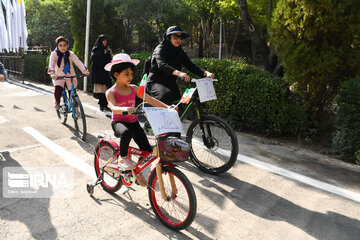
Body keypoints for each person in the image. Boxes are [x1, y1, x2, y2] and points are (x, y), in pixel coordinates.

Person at [105, 53, 172, 187]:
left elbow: (150, 99)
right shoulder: (111, 92)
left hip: (133, 122)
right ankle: (123, 158)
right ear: (116, 74)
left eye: (131, 74)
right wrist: (124, 109)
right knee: (126, 133)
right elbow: (112, 106)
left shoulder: (134, 88)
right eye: (127, 74)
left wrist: (167, 107)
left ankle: (137, 172)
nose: (131, 77)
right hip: (119, 122)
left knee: (147, 151)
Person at [146, 26, 215, 105]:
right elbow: (162, 65)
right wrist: (179, 73)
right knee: (165, 95)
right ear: (169, 38)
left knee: (179, 104)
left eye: (180, 37)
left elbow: (191, 66)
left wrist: (206, 73)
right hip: (156, 82)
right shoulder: (160, 49)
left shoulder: (180, 52)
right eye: (175, 37)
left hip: (171, 83)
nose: (178, 39)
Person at [48, 36, 89, 109]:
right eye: (60, 45)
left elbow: (78, 62)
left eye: (64, 45)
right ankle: (57, 102)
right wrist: (52, 73)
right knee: (58, 89)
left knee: (72, 93)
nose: (63, 47)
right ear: (57, 46)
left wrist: (84, 71)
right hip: (58, 75)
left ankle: (76, 110)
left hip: (70, 75)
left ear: (67, 45)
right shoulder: (54, 54)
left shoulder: (70, 54)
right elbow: (51, 64)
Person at [91, 34, 112, 111]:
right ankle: (101, 104)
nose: (105, 42)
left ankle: (105, 104)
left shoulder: (107, 49)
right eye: (103, 40)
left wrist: (107, 54)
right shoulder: (95, 50)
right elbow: (94, 59)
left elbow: (110, 59)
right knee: (100, 90)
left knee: (106, 89)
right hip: (98, 73)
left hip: (105, 72)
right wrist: (102, 53)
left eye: (106, 40)